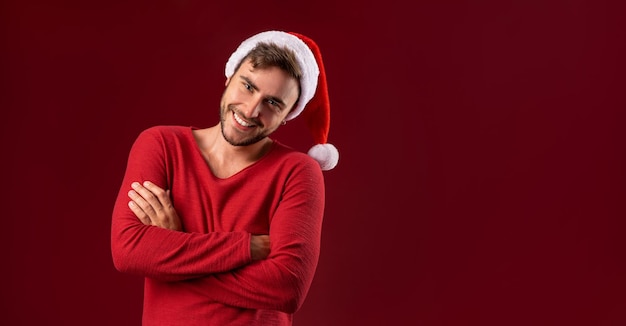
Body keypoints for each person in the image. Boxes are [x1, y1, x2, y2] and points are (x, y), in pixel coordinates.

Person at [110, 30, 338, 325]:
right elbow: (128, 250)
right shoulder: (161, 145)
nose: (251, 109)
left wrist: (174, 251)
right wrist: (246, 247)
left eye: (273, 103)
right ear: (230, 76)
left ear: (288, 114)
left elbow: (287, 287)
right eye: (247, 86)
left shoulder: (297, 172)